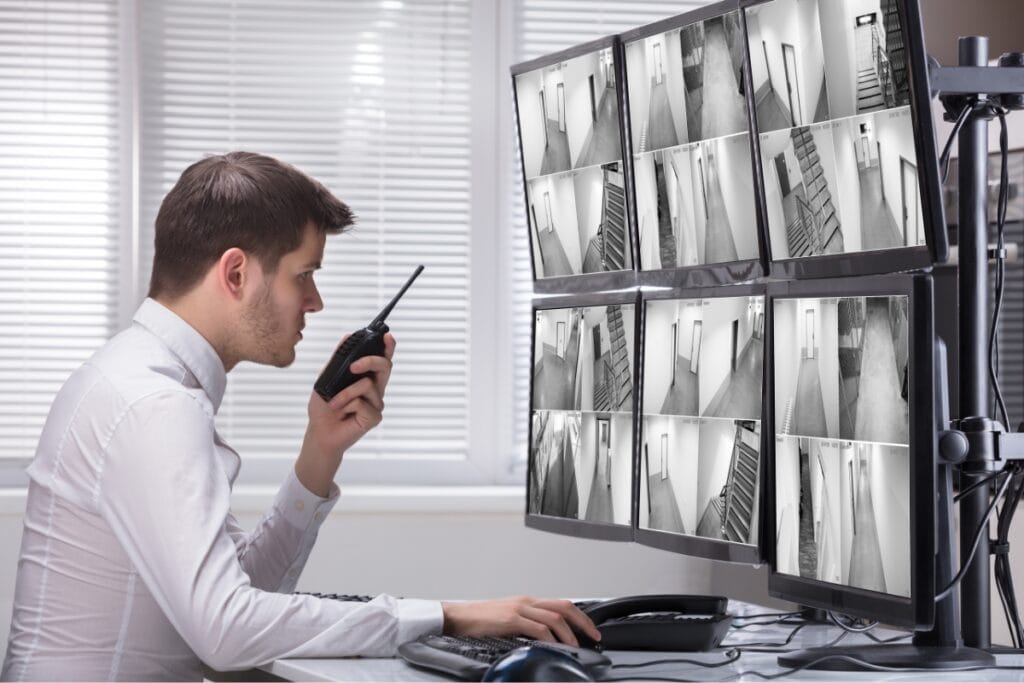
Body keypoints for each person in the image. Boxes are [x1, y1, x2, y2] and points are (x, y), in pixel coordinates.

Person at [1, 152, 599, 680]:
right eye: (304, 274)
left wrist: (320, 453)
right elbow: (227, 632)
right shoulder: (154, 405)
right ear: (236, 274)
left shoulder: (139, 380)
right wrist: (447, 615)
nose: (315, 300)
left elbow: (238, 597)